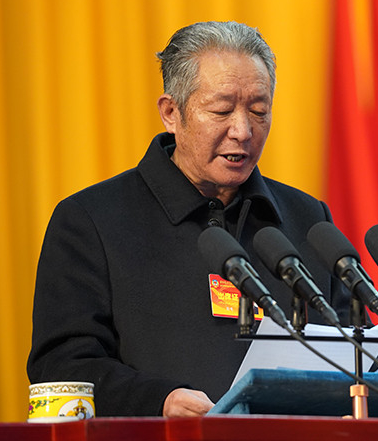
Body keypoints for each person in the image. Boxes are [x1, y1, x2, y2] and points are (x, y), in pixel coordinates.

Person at [27, 21, 351, 417]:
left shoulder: (308, 220)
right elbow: (61, 365)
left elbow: (354, 355)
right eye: (221, 110)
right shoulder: (89, 221)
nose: (243, 130)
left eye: (259, 111)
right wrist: (159, 401)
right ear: (171, 112)